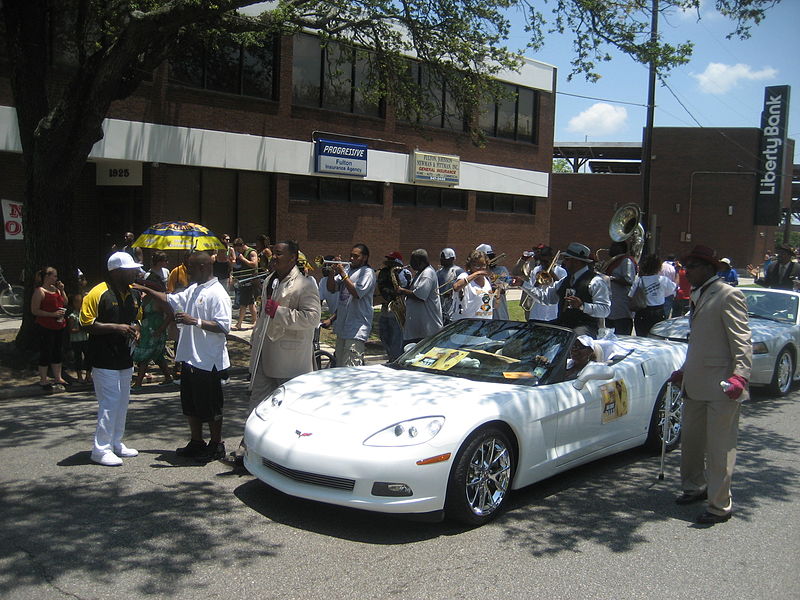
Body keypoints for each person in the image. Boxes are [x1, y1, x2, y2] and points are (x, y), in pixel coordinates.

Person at [669, 244, 751, 525]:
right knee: (691, 443)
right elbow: (701, 342)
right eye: (684, 266)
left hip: (722, 385)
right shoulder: (696, 293)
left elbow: (741, 340)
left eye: (691, 267)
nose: (686, 272)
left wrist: (740, 375)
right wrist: (683, 370)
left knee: (719, 448)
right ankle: (694, 487)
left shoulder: (728, 294)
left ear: (708, 268)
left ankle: (720, 505)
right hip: (695, 382)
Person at [134, 251, 232, 462]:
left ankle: (216, 445)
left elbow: (224, 326)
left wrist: (194, 321)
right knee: (190, 404)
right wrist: (145, 288)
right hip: (189, 357)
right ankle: (196, 442)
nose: (187, 273)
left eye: (191, 269)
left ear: (203, 267)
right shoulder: (193, 290)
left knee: (211, 406)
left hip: (208, 361)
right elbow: (169, 298)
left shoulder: (218, 293)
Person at [81, 252, 142, 466]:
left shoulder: (133, 294)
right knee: (110, 402)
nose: (135, 272)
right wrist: (117, 328)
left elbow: (136, 319)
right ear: (116, 272)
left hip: (125, 356)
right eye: (130, 269)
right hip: (103, 357)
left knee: (123, 401)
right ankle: (100, 449)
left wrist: (136, 330)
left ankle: (116, 442)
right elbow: (86, 323)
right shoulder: (98, 292)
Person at [248, 240, 321, 417]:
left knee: (288, 408)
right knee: (258, 405)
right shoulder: (269, 280)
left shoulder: (305, 284)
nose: (274, 256)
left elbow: (313, 318)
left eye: (279, 253)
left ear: (293, 257)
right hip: (263, 354)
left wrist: (279, 312)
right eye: (274, 252)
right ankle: (252, 441)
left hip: (289, 361)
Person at [523, 242, 610, 338]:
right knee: (532, 326)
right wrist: (523, 284)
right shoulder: (564, 281)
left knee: (574, 337)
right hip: (564, 324)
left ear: (576, 261)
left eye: (567, 259)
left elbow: (605, 310)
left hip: (585, 327)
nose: (564, 262)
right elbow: (546, 298)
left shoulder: (595, 282)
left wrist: (582, 306)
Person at [327, 244, 376, 367]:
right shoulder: (348, 270)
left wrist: (343, 273)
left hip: (357, 328)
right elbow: (331, 288)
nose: (351, 259)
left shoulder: (367, 272)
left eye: (356, 256)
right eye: (351, 255)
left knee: (351, 368)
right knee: (338, 367)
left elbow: (357, 293)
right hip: (343, 327)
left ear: (364, 258)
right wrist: (332, 271)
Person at [30, 266, 69, 390]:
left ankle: (58, 377)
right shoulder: (40, 291)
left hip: (59, 325)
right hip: (45, 325)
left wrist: (62, 290)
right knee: (46, 351)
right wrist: (52, 314)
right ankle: (43, 379)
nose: (56, 278)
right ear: (47, 276)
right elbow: (34, 310)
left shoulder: (56, 290)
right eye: (54, 276)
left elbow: (65, 302)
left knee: (57, 350)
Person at [131, 275, 173, 388]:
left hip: (156, 331)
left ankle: (138, 383)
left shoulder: (159, 300)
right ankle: (168, 377)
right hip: (146, 330)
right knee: (158, 356)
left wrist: (160, 330)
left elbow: (170, 315)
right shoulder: (144, 299)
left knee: (146, 356)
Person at [397, 249, 443, 344]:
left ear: (420, 262)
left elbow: (420, 296)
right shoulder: (421, 273)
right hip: (418, 330)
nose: (410, 263)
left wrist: (402, 290)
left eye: (412, 261)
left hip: (427, 330)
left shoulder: (427, 273)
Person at [375, 251, 411, 361]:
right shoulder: (384, 272)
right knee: (384, 334)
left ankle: (396, 358)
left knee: (396, 336)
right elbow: (380, 287)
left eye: (392, 259)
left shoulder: (405, 273)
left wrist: (396, 275)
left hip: (398, 308)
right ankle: (390, 355)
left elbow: (405, 287)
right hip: (386, 308)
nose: (389, 262)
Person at [629, 254, 676, 337]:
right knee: (657, 339)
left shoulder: (639, 280)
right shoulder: (663, 280)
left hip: (642, 313)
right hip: (658, 312)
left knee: (642, 338)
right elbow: (673, 290)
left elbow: (630, 295)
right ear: (658, 267)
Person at [602, 241, 636, 335]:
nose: (610, 248)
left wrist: (610, 278)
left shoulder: (626, 261)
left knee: (622, 337)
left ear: (620, 248)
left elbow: (629, 280)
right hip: (611, 308)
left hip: (621, 310)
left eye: (613, 246)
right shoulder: (613, 261)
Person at [526, 246, 567, 324]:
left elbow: (562, 288)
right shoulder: (536, 270)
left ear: (551, 258)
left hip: (552, 312)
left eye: (545, 261)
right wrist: (538, 279)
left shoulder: (561, 271)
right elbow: (532, 288)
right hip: (536, 312)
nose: (543, 263)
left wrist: (551, 273)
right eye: (541, 261)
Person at [451, 250, 494, 321]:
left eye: (483, 265)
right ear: (470, 266)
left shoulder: (487, 279)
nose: (481, 268)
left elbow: (493, 304)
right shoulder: (464, 276)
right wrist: (477, 274)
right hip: (467, 323)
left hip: (485, 322)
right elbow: (456, 287)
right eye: (477, 266)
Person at [476, 243, 510, 320]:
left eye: (490, 257)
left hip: (499, 314)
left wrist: (489, 274)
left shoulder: (502, 270)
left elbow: (503, 289)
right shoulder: (476, 273)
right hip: (482, 314)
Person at [232, 238, 258, 330]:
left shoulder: (251, 252)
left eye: (238, 249)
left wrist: (243, 259)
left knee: (243, 303)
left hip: (250, 281)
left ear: (242, 245)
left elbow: (254, 264)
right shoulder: (241, 253)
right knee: (250, 303)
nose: (238, 251)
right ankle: (255, 321)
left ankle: (239, 324)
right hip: (244, 279)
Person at [436, 248, 464, 326]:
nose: (441, 259)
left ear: (451, 258)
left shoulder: (458, 271)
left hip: (452, 306)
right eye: (441, 257)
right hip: (440, 305)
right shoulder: (438, 272)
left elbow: (463, 288)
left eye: (443, 257)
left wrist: (451, 292)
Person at [67, 293, 90, 384]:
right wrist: (80, 329)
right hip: (76, 340)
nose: (80, 304)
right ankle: (79, 376)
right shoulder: (73, 316)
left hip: (86, 339)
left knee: (88, 357)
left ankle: (88, 375)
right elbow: (71, 329)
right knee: (78, 358)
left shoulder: (86, 314)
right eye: (77, 302)